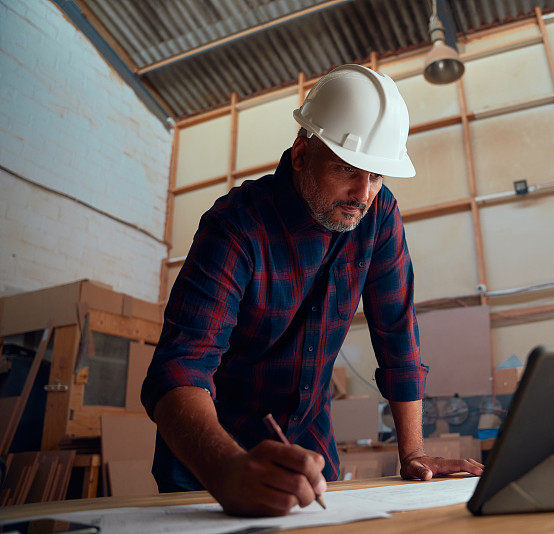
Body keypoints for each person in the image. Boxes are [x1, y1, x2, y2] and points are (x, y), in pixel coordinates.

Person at [141, 64, 484, 517]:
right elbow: (179, 369)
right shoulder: (234, 228)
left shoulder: (377, 215)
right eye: (347, 168)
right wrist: (227, 471)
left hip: (310, 453)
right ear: (302, 152)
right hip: (212, 457)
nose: (363, 194)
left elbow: (398, 334)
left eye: (377, 177)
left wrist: (413, 453)